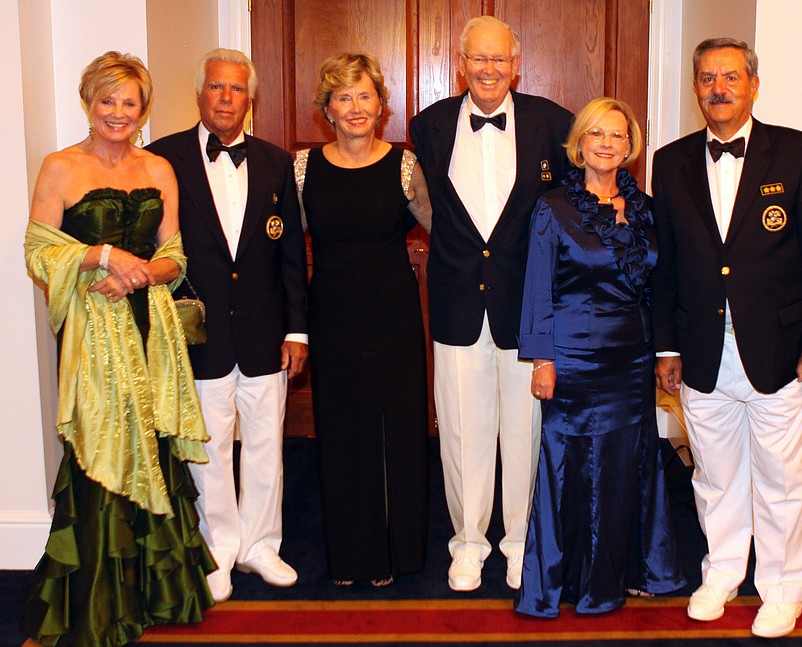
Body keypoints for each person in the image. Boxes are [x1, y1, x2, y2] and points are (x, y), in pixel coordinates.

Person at [21, 51, 214, 646]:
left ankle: (160, 593)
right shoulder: (60, 167)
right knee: (102, 441)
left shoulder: (158, 168)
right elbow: (37, 250)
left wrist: (142, 273)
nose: (118, 113)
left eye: (130, 103)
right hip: (93, 328)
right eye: (108, 100)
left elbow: (176, 257)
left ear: (143, 109)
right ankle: (103, 600)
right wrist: (104, 256)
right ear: (88, 102)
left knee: (152, 442)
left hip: (151, 327)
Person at [651, 38, 802, 639]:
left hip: (779, 351)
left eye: (730, 76)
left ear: (753, 85)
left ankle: (783, 587)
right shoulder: (671, 159)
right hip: (701, 350)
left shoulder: (799, 153)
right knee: (714, 474)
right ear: (696, 88)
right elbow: (666, 265)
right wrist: (666, 347)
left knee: (783, 479)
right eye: (707, 78)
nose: (718, 88)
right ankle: (723, 570)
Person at [409, 15, 574, 592]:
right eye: (477, 59)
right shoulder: (426, 127)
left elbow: (576, 212)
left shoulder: (553, 123)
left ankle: (520, 542)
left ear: (516, 63)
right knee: (460, 430)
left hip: (528, 307)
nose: (488, 70)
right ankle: (468, 544)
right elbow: (424, 206)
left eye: (498, 59)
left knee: (525, 430)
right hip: (456, 301)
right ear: (461, 64)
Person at [146, 48, 309, 603]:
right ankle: (217, 549)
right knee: (210, 447)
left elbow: (290, 254)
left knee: (266, 443)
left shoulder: (275, 161)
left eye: (236, 89)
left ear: (250, 98)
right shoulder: (162, 159)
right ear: (200, 94)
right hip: (199, 334)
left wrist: (298, 330)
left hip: (266, 332)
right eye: (216, 87)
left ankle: (262, 544)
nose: (225, 98)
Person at [514, 97, 685, 617]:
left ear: (630, 146)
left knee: (630, 463)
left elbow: (658, 287)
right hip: (574, 358)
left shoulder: (646, 206)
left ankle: (634, 569)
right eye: (597, 134)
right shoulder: (553, 206)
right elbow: (537, 288)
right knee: (573, 465)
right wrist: (542, 360)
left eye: (618, 134)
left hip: (632, 359)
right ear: (579, 145)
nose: (608, 143)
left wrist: (662, 352)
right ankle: (571, 582)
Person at [295, 52, 432, 587]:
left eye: (365, 96)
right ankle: (351, 554)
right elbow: (285, 254)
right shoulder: (304, 167)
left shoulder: (404, 165)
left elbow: (446, 237)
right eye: (343, 97)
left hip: (394, 315)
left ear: (381, 105)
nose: (355, 107)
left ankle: (397, 552)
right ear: (326, 107)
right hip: (330, 314)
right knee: (342, 431)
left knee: (397, 430)